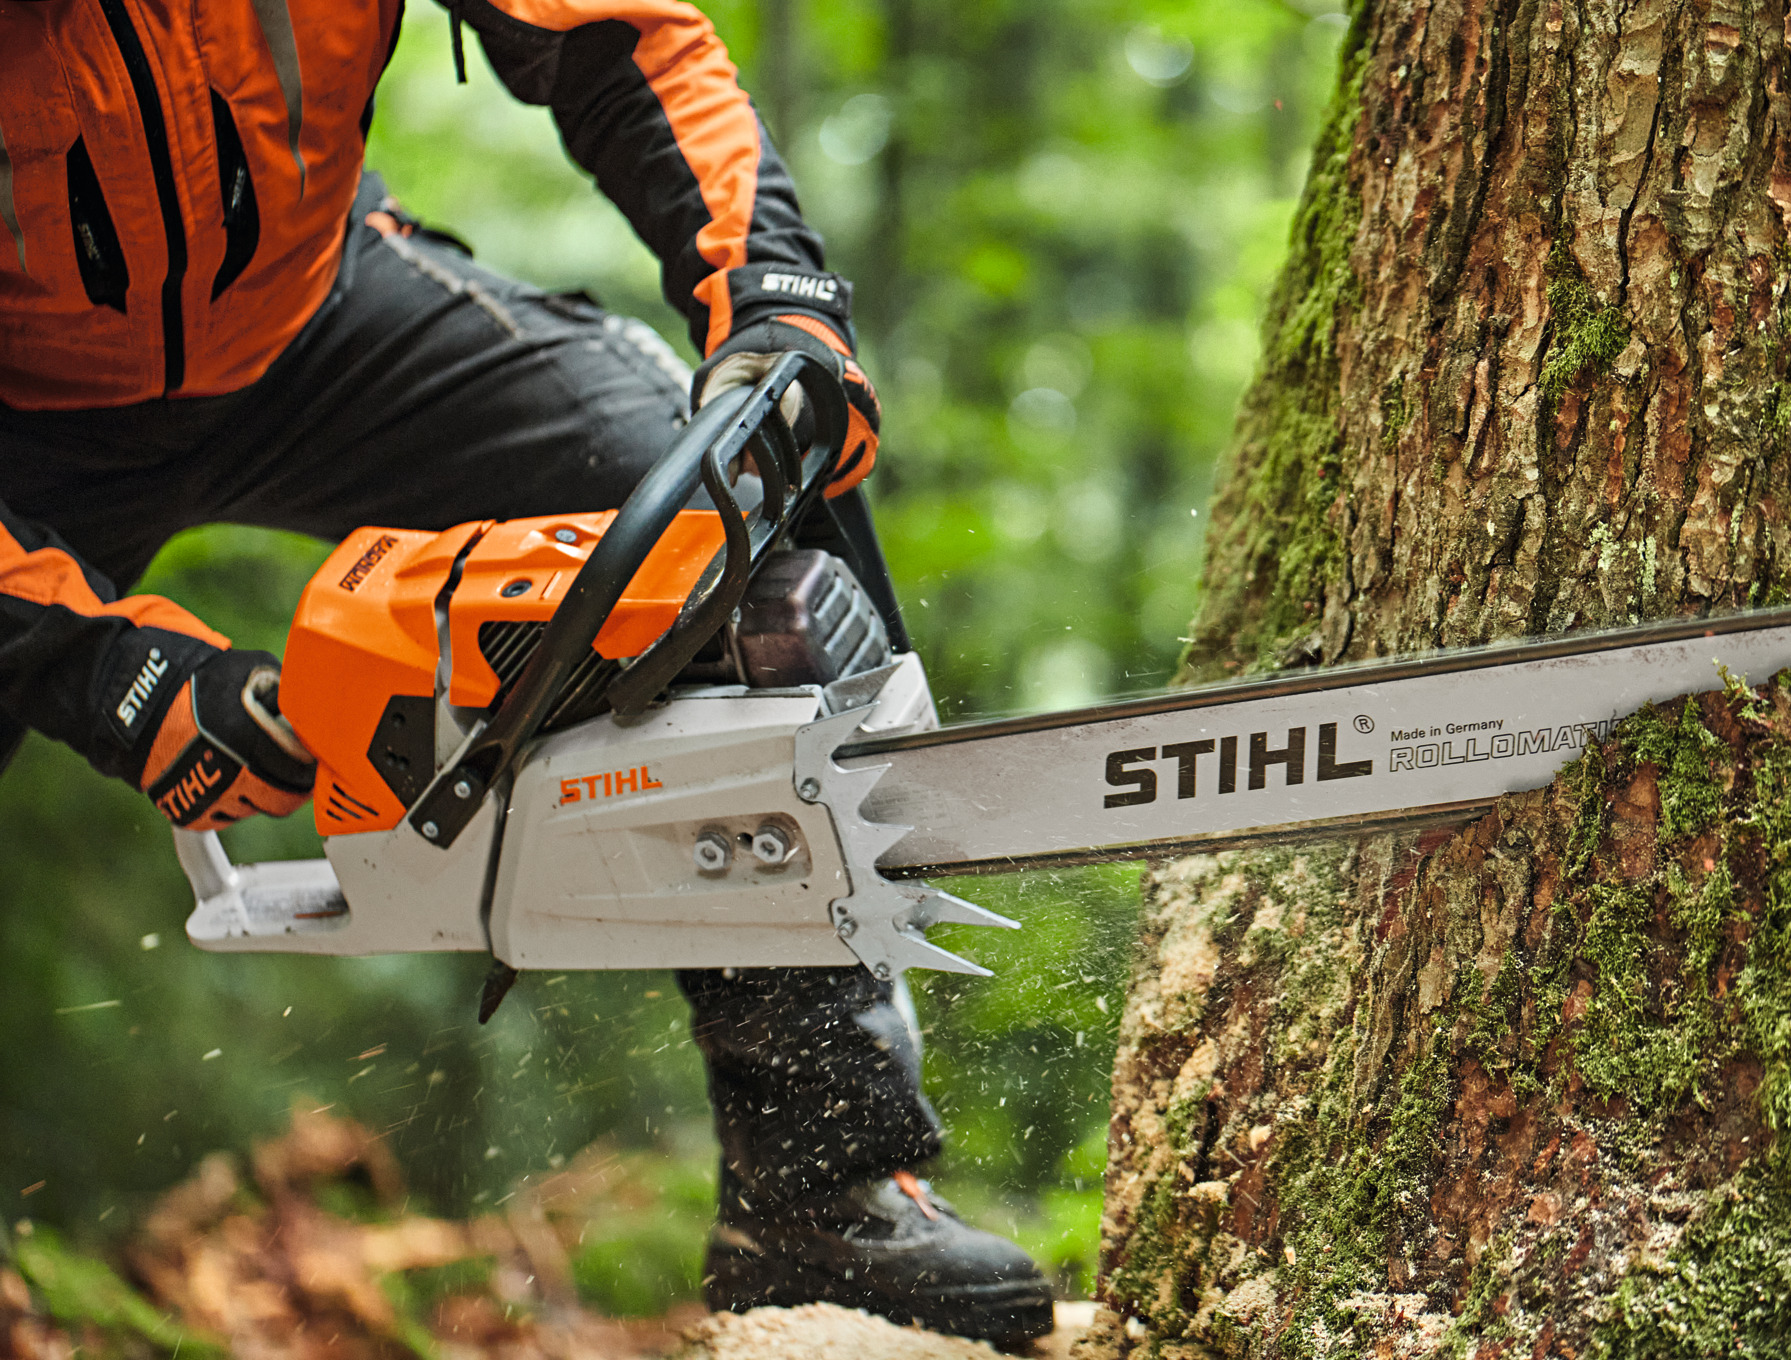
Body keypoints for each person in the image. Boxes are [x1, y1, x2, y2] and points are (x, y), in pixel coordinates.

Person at [0, 0, 1055, 1344]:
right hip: (21, 408)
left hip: (317, 314)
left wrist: (769, 285)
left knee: (700, 516)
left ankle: (820, 1189)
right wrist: (107, 674)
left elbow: (621, 34)